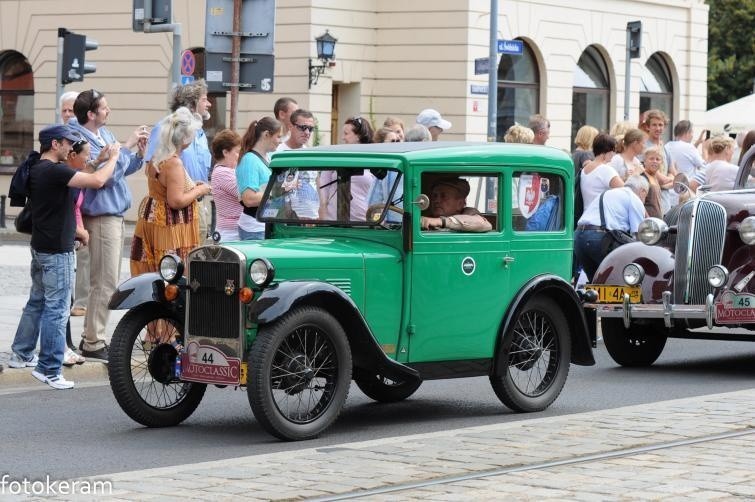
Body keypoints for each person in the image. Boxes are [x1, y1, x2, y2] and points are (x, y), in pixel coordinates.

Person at [8, 125, 118, 389]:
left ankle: (21, 354)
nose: (71, 147)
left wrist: (76, 231)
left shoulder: (41, 169)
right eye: (67, 143)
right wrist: (113, 158)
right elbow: (96, 181)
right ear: (55, 144)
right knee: (57, 310)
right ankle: (49, 368)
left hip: (43, 246)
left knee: (37, 302)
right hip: (56, 251)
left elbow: (79, 176)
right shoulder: (52, 170)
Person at [68, 89, 147, 362]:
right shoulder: (82, 137)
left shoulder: (105, 134)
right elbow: (109, 176)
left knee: (106, 280)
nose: (108, 110)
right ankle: (93, 341)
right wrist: (125, 147)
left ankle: (92, 336)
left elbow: (120, 169)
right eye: (104, 107)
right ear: (90, 114)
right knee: (104, 282)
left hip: (112, 214)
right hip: (101, 216)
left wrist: (135, 155)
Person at [131, 108, 210, 276]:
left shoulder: (158, 155)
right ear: (185, 138)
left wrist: (190, 184)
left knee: (153, 269)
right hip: (168, 223)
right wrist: (200, 190)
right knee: (170, 271)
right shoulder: (174, 162)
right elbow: (176, 201)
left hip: (153, 216)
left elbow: (163, 184)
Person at [145, 80, 213, 239]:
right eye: (204, 99)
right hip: (175, 209)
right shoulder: (166, 127)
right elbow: (151, 169)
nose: (209, 104)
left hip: (197, 202)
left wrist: (196, 187)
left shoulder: (199, 132)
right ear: (192, 103)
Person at [574, 175, 648, 281]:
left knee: (595, 283)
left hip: (579, 237)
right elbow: (638, 236)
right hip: (600, 238)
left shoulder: (607, 193)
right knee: (621, 278)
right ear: (643, 191)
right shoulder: (634, 198)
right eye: (646, 196)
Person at [60, 90, 89, 317]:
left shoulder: (82, 142)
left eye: (72, 110)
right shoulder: (59, 150)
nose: (68, 115)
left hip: (78, 216)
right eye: (65, 111)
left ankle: (79, 301)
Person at [320, 116, 376, 220]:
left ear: (358, 136)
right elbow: (323, 188)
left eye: (346, 133)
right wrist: (322, 216)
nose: (342, 138)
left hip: (363, 221)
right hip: (333, 220)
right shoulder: (334, 157)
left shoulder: (373, 159)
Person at [237, 116, 282, 239]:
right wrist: (278, 192)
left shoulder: (266, 157)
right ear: (267, 134)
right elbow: (249, 199)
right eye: (278, 136)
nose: (280, 141)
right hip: (255, 228)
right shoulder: (249, 160)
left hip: (264, 225)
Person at [420, 178, 492, 232]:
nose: (436, 200)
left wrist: (441, 221)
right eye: (434, 196)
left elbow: (484, 224)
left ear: (459, 204)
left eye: (443, 196)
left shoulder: (469, 214)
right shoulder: (426, 219)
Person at [209, 129, 243, 242]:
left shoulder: (226, 170)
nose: (239, 156)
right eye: (237, 152)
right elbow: (244, 193)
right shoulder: (222, 173)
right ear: (225, 152)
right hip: (230, 234)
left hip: (233, 232)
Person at [580, 133, 623, 210]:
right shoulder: (606, 170)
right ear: (607, 151)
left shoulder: (584, 169)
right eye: (613, 150)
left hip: (586, 217)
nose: (614, 154)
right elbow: (626, 192)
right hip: (601, 219)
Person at [640, 147, 673, 218]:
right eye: (651, 158)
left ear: (661, 162)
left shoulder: (655, 178)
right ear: (645, 161)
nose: (654, 161)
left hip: (657, 223)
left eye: (657, 159)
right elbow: (639, 204)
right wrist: (648, 219)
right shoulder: (643, 178)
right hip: (648, 225)